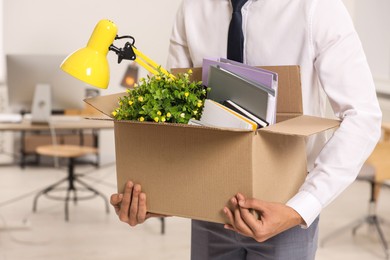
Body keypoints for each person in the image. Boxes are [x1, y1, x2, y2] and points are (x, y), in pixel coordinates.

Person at [110, 0, 382, 259]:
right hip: (208, 206)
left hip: (285, 210)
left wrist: (301, 208)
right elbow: (178, 116)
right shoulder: (193, 8)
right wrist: (161, 196)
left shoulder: (317, 7)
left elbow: (363, 116)